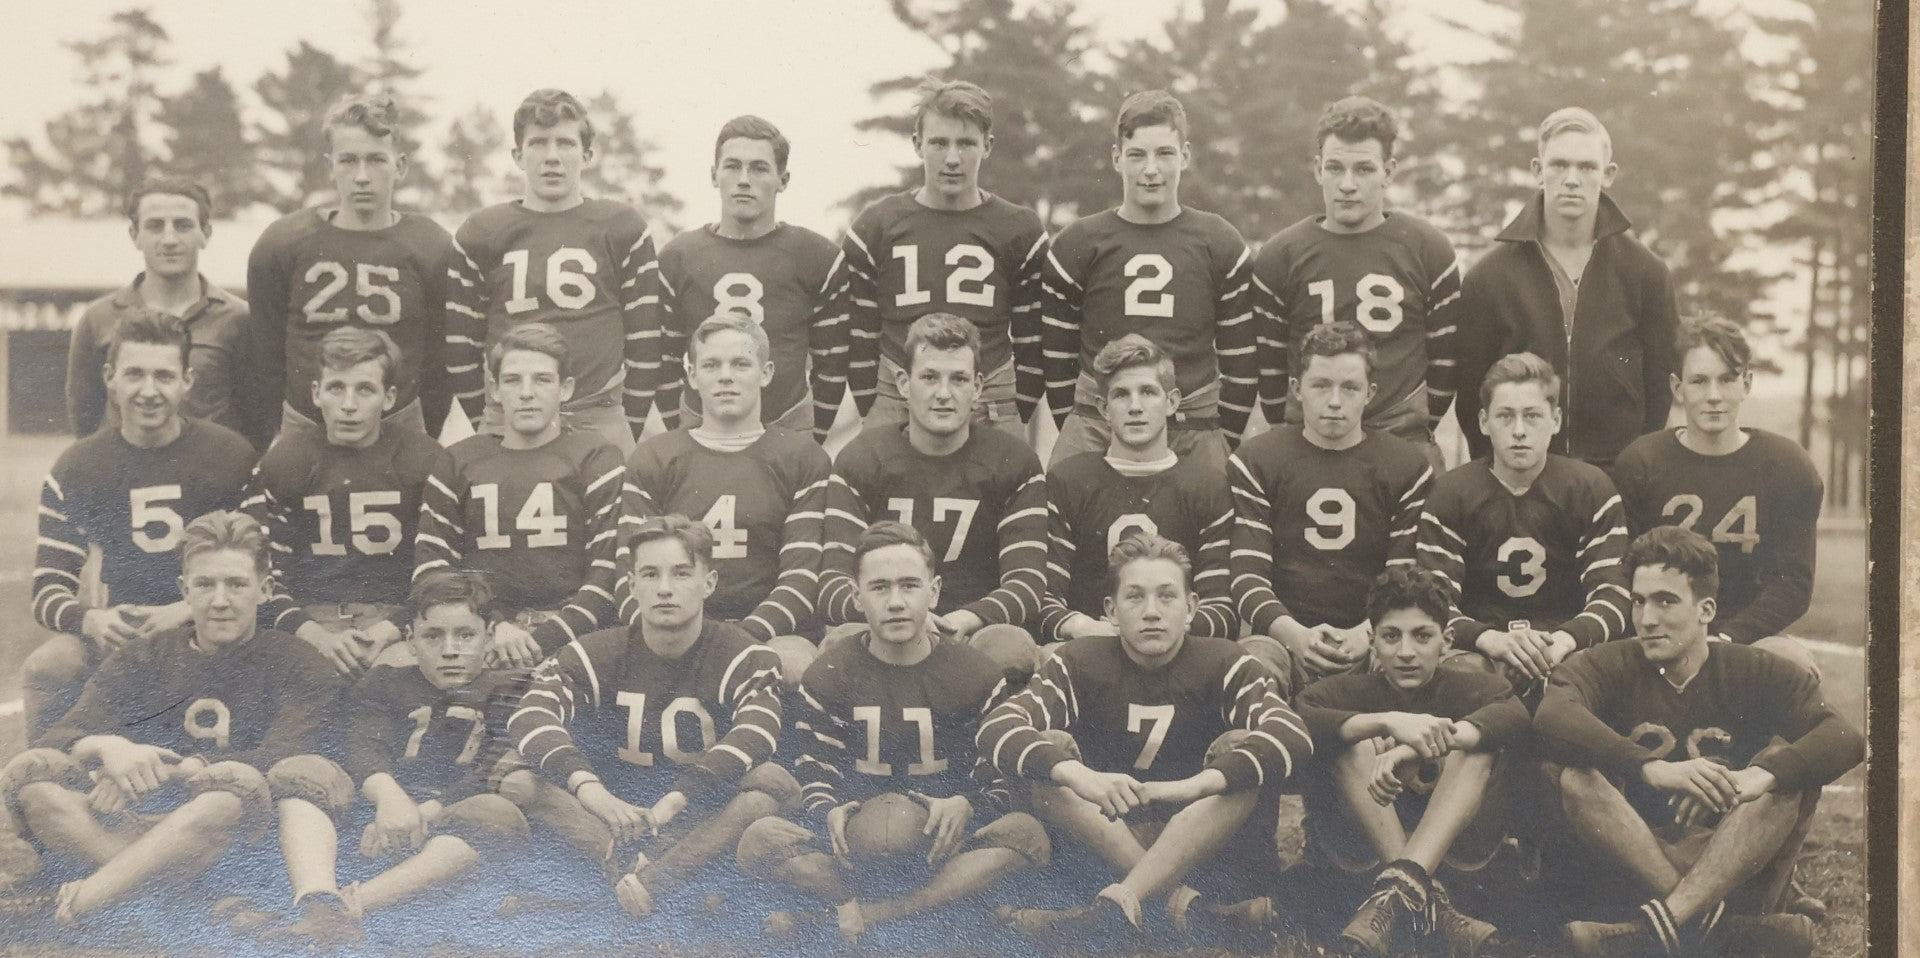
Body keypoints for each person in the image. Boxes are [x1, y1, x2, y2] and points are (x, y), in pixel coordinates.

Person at [0, 511, 342, 927]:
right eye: (205, 585)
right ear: (184, 591)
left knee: (227, 794)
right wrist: (112, 748)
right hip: (132, 823)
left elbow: (285, 755)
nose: (220, 600)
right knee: (35, 785)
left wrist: (170, 770)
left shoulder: (301, 663)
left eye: (236, 584)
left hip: (222, 833)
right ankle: (189, 900)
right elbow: (59, 736)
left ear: (265, 589)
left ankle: (88, 898)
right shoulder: (145, 654)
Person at [1536, 526, 1862, 957]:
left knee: (1783, 768)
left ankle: (1653, 931)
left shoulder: (1753, 668)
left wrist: (1755, 777)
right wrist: (1651, 768)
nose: (1646, 618)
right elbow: (1551, 715)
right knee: (1577, 776)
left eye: (1665, 600)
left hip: (1728, 861)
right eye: (1638, 601)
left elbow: (1844, 738)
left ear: (1706, 609)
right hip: (1634, 858)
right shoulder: (1609, 662)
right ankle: (1717, 929)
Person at [980, 534, 1313, 936]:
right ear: (1111, 610)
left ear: (1191, 608)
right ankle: (1183, 906)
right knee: (1049, 750)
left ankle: (1119, 906)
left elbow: (1293, 734)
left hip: (1201, 838)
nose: (1152, 612)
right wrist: (1078, 774)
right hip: (1105, 833)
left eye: (1167, 596)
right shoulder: (1078, 661)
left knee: (1244, 751)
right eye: (1135, 597)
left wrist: (1194, 786)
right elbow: (998, 726)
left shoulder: (1225, 660)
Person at [736, 522, 1049, 943]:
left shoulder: (974, 672)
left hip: (945, 844)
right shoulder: (830, 673)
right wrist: (828, 810)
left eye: (909, 586)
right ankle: (937, 908)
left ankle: (876, 914)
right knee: (759, 839)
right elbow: (815, 773)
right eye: (880, 587)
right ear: (856, 597)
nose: (896, 602)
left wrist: (966, 804)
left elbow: (995, 777)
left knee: (1028, 833)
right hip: (853, 848)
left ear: (934, 592)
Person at [502, 514, 792, 918]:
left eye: (682, 573)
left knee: (765, 789)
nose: (665, 589)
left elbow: (757, 732)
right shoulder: (595, 652)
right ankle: (648, 883)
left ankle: (644, 883)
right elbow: (531, 716)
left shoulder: (744, 654)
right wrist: (593, 792)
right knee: (518, 781)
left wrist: (679, 798)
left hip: (695, 816)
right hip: (612, 815)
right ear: (632, 584)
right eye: (650, 574)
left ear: (709, 582)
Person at [237, 569, 529, 947]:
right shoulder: (386, 682)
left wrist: (422, 813)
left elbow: (492, 767)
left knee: (495, 812)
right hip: (375, 821)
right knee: (300, 771)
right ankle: (317, 898)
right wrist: (389, 799)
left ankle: (345, 910)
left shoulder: (513, 689)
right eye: (433, 636)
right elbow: (362, 746)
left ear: (489, 637)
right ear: (410, 641)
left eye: (466, 635)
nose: (450, 649)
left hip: (448, 830)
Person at [27, 310, 257, 739]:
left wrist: (188, 609)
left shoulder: (231, 457)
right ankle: (41, 778)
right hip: (122, 637)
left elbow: (269, 572)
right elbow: (46, 590)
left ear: (187, 381)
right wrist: (91, 619)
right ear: (111, 378)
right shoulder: (79, 467)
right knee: (50, 665)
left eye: (164, 377)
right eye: (134, 374)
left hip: (212, 627)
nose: (148, 391)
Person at [1294, 566, 1525, 958]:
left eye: (1422, 636)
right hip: (1363, 856)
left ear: (1446, 640)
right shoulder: (1349, 690)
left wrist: (1414, 746)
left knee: (1476, 743)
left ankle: (1399, 889)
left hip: (1458, 857)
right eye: (1390, 636)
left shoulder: (1469, 687)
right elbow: (1302, 716)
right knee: (1349, 739)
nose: (1405, 652)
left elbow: (1513, 716)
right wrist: (1386, 722)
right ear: (1371, 640)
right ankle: (1421, 891)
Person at [1042, 89, 1257, 470]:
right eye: (1137, 154)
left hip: (1194, 424)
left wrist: (1222, 436)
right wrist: (1080, 421)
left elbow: (1241, 361)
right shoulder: (1080, 242)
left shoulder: (1218, 241)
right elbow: (1057, 357)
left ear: (1185, 156)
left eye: (1165, 154)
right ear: (1116, 158)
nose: (1151, 169)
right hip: (1099, 423)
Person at [1454, 107, 1678, 469]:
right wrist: (1498, 472)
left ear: (1608, 175)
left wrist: (1637, 467)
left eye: (1587, 167)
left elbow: (1660, 387)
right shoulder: (1489, 276)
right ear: (1537, 171)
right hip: (1523, 476)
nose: (1572, 179)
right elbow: (1470, 395)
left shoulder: (1646, 273)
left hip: (1615, 474)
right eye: (1558, 165)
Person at [445, 88, 665, 455]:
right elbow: (460, 348)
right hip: (509, 416)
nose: (551, 157)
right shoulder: (481, 232)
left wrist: (630, 420)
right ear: (517, 155)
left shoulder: (622, 227)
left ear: (587, 154)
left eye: (565, 143)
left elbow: (645, 342)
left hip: (599, 412)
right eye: (538, 144)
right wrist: (492, 413)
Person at [817, 314, 1046, 653]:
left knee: (1011, 649)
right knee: (838, 644)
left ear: (978, 387)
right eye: (929, 377)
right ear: (903, 383)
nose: (943, 394)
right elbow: (833, 585)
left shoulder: (1013, 460)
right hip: (885, 626)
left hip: (972, 629)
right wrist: (906, 617)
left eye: (958, 379)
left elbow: (1027, 583)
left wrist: (964, 619)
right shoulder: (862, 458)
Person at [1611, 316, 1824, 677]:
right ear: (1678, 389)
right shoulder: (1641, 461)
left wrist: (1727, 638)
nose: (1714, 396)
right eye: (1699, 381)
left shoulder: (1787, 467)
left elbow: (1793, 583)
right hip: (1656, 631)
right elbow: (1623, 570)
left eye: (1726, 379)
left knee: (1797, 667)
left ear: (1747, 383)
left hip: (1744, 637)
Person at [1251, 96, 1461, 458]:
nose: (1347, 184)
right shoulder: (1280, 255)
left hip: (1401, 437)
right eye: (1335, 168)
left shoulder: (1429, 249)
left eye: (1363, 169)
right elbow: (1271, 371)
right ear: (1318, 169)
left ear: (1389, 172)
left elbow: (1446, 363)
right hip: (1310, 439)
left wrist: (1416, 425)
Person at [1230, 322, 1434, 691]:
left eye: (1350, 387)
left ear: (1370, 392)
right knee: (1250, 665)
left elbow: (1405, 578)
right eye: (1321, 385)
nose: (1335, 401)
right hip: (1284, 639)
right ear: (1296, 388)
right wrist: (1294, 635)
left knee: (1415, 663)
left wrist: (1369, 633)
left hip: (1374, 639)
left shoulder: (1407, 466)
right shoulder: (1258, 460)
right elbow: (1247, 576)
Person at [246, 91, 456, 446]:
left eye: (376, 160)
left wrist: (423, 434)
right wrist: (276, 432)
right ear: (330, 167)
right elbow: (265, 355)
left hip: (398, 426)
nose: (362, 176)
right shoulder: (283, 242)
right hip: (305, 424)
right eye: (348, 161)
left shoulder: (431, 245)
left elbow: (439, 361)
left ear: (400, 166)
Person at [841, 79, 1048, 436]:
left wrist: (1017, 406)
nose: (952, 158)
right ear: (918, 144)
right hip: (897, 395)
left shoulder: (1018, 228)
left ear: (988, 146)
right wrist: (871, 402)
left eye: (966, 143)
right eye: (939, 143)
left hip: (989, 399)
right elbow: (860, 334)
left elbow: (1033, 340)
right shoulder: (877, 226)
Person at [413, 323, 626, 666]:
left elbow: (610, 569)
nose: (527, 393)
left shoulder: (595, 457)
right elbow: (432, 567)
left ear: (565, 388)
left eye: (542, 380)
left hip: (574, 636)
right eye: (513, 380)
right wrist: (492, 625)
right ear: (495, 391)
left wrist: (545, 638)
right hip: (484, 636)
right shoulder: (458, 460)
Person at [243, 327, 451, 677]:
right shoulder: (284, 461)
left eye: (365, 389)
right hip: (309, 620)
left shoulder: (424, 459)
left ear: (389, 397)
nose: (349, 405)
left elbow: (441, 566)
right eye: (336, 388)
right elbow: (260, 569)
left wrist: (391, 630)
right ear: (316, 393)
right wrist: (313, 634)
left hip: (399, 623)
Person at [1417, 353, 1630, 689]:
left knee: (1582, 679)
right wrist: (1490, 640)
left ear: (1556, 419)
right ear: (1485, 422)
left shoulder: (1590, 489)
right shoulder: (1451, 493)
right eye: (1505, 416)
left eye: (1532, 416)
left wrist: (1562, 641)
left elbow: (1614, 594)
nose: (1518, 431)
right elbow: (1433, 599)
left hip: (1563, 647)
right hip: (1482, 652)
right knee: (1459, 676)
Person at [622, 313, 831, 644]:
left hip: (772, 635)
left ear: (766, 373)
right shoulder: (655, 457)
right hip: (677, 635)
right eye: (711, 365)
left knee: (791, 663)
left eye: (740, 364)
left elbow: (802, 576)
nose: (725, 377)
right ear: (691, 375)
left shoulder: (803, 457)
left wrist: (737, 640)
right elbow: (629, 572)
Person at [656, 115, 847, 441]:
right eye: (732, 166)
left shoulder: (816, 256)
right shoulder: (678, 257)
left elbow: (833, 364)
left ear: (783, 179)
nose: (744, 180)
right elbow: (664, 361)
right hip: (701, 428)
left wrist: (812, 437)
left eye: (759, 168)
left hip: (787, 425)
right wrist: (682, 430)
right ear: (714, 175)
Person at [1039, 334, 1235, 646]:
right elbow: (1045, 600)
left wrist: (1154, 631)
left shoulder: (1207, 484)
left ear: (1171, 402)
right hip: (1090, 647)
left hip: (1176, 649)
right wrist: (1085, 627)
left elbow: (1221, 609)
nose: (1135, 407)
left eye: (1147, 392)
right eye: (1121, 395)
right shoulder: (1068, 480)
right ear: (1103, 408)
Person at [65, 177, 252, 441]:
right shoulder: (98, 318)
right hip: (124, 476)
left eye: (183, 225)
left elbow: (259, 419)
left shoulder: (239, 319)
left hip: (210, 477)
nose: (169, 239)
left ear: (206, 233)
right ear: (135, 235)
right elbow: (84, 420)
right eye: (155, 226)